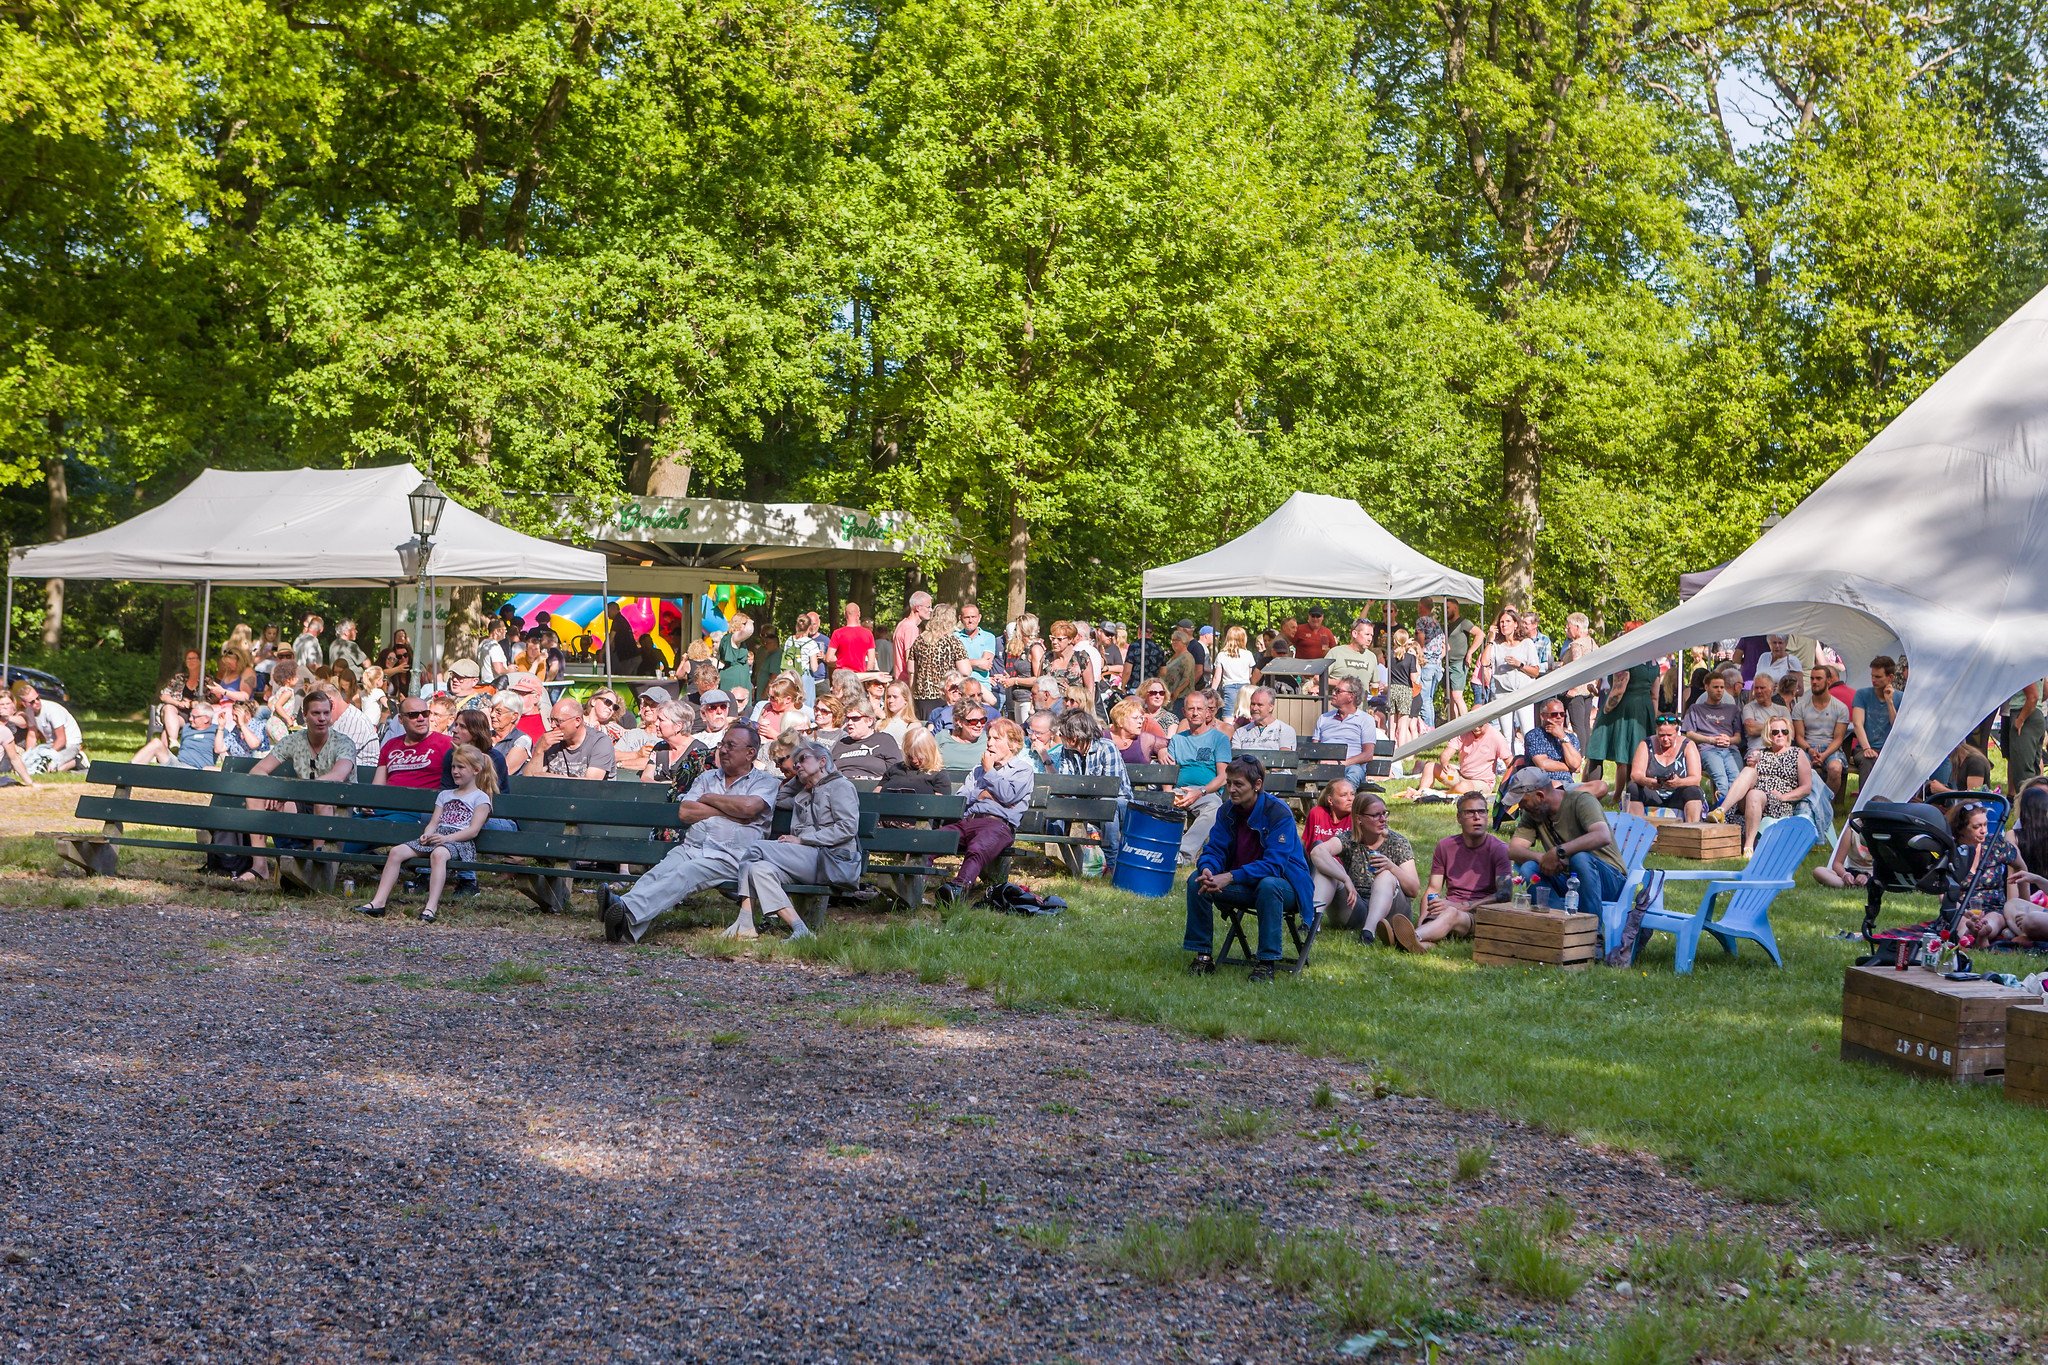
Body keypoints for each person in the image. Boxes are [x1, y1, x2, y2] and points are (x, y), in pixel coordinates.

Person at [598, 721, 781, 942]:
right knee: (659, 873)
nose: (722, 750)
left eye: (730, 746)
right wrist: (729, 812)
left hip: (731, 856)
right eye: (722, 744)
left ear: (750, 753)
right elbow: (686, 812)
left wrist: (710, 800)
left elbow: (749, 807)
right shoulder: (707, 777)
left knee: (685, 874)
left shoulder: (765, 782)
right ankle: (625, 928)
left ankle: (622, 906)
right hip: (693, 847)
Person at [1183, 755, 1315, 982]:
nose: (1231, 789)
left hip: (1286, 885)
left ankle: (1266, 963)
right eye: (1229, 783)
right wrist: (1208, 869)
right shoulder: (1226, 811)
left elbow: (1275, 865)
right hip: (1245, 883)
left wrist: (1231, 876)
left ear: (1257, 785)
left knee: (1269, 884)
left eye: (1238, 784)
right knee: (1197, 879)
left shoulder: (1278, 812)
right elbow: (1215, 850)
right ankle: (1203, 956)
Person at [725, 741, 862, 940]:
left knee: (756, 848)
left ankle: (745, 920)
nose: (797, 765)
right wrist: (800, 778)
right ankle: (800, 930)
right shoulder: (804, 793)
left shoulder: (840, 786)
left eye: (803, 759)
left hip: (832, 859)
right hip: (808, 861)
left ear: (822, 761)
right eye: (795, 762)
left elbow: (847, 828)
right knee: (758, 870)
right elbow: (779, 798)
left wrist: (803, 840)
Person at [353, 744, 495, 924]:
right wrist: (427, 834)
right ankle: (378, 902)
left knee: (439, 854)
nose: (455, 771)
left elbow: (473, 830)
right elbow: (434, 823)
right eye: (453, 767)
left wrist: (446, 839)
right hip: (438, 836)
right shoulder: (445, 795)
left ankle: (431, 906)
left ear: (476, 770)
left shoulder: (480, 797)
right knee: (396, 852)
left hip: (460, 841)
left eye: (461, 767)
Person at [246, 691, 358, 881]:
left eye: (326, 713)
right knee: (255, 793)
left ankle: (318, 861)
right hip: (303, 801)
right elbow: (257, 771)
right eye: (315, 713)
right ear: (305, 716)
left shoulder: (344, 742)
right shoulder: (294, 740)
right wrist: (274, 790)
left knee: (321, 796)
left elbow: (337, 777)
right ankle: (260, 867)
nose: (322, 718)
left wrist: (289, 792)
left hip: (337, 806)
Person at [936, 717, 1035, 902]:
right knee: (932, 841)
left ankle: (957, 889)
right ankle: (914, 884)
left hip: (997, 825)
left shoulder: (1022, 770)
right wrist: (981, 794)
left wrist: (990, 771)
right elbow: (959, 800)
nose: (989, 743)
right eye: (989, 738)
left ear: (1012, 744)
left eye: (996, 739)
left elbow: (1008, 796)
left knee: (978, 847)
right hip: (969, 820)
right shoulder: (977, 770)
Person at [1402, 791, 1515, 952]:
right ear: (1459, 818)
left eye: (1482, 811)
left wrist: (1462, 906)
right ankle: (1414, 943)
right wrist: (1423, 917)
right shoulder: (1445, 846)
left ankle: (1411, 936)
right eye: (1470, 812)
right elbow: (1433, 889)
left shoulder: (1499, 849)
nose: (1477, 817)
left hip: (1478, 914)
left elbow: (1504, 895)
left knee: (1451, 913)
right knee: (1440, 921)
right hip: (1445, 910)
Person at [1505, 769, 1626, 906]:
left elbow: (1602, 835)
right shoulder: (1532, 813)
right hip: (1570, 880)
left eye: (1522, 801)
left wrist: (1558, 852)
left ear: (1540, 796)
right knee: (1528, 868)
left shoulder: (1582, 800)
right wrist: (1541, 858)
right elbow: (1513, 850)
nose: (1521, 807)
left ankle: (1591, 926)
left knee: (1580, 858)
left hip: (1609, 881)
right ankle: (1557, 921)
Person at [1310, 791, 1417, 938]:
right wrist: (1344, 878)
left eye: (1385, 813)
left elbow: (1413, 890)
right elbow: (1317, 852)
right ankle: (1313, 922)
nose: (1383, 819)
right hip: (1356, 907)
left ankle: (1368, 932)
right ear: (1359, 819)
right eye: (1376, 815)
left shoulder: (1398, 842)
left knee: (1385, 875)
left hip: (1391, 913)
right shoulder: (1349, 839)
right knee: (1326, 867)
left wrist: (1391, 867)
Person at [1708, 716, 1814, 855]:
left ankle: (1748, 846)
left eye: (1784, 731)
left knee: (1754, 794)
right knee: (1748, 771)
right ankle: (1721, 810)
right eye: (1775, 732)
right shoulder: (1760, 753)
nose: (1780, 734)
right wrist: (1753, 764)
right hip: (1750, 801)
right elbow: (1747, 780)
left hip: (1777, 801)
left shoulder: (1797, 753)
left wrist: (1784, 796)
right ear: (1768, 734)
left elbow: (1806, 787)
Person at [1050, 708, 1130, 876]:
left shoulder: (1106, 748)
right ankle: (1061, 857)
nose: (1060, 736)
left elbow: (1111, 789)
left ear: (1076, 736)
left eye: (1064, 733)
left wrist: (1077, 794)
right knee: (1056, 807)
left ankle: (1112, 863)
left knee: (1108, 807)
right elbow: (1065, 783)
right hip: (1085, 803)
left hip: (1118, 802)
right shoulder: (1068, 751)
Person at [1168, 690, 1232, 863]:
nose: (1195, 713)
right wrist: (1168, 795)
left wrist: (1200, 792)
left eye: (1199, 709)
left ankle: (1182, 854)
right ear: (1184, 712)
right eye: (1191, 709)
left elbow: (1223, 777)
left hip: (1206, 793)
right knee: (1157, 807)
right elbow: (1168, 773)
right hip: (1178, 791)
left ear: (1207, 712)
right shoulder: (1177, 740)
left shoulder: (1219, 739)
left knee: (1214, 808)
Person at [1404, 718, 1511, 801]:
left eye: (1480, 725)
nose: (1476, 728)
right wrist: (1445, 762)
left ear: (1487, 722)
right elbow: (1446, 754)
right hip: (1460, 776)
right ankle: (1421, 792)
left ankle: (1436, 794)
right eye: (1474, 725)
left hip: (1482, 782)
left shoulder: (1496, 737)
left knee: (1462, 787)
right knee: (1430, 766)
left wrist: (1507, 785)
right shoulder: (1464, 732)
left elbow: (1510, 762)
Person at [1625, 715, 1706, 821]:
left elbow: (1696, 778)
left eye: (1669, 735)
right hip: (1653, 793)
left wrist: (1679, 782)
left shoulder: (1688, 745)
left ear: (1677, 733)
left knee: (1693, 791)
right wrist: (1648, 781)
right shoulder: (1645, 744)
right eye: (1661, 735)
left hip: (1677, 794)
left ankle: (1692, 828)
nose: (1665, 739)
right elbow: (1635, 774)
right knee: (1633, 788)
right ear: (1656, 732)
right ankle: (1636, 827)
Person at [1682, 671, 1744, 805]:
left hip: (1730, 749)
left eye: (1722, 687)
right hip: (1708, 749)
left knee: (1737, 780)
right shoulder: (1696, 709)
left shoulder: (1732, 709)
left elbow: (1738, 737)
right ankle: (1722, 815)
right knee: (1722, 782)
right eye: (1715, 687)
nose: (1719, 691)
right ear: (1706, 687)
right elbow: (1689, 733)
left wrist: (1729, 740)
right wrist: (1711, 740)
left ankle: (1729, 815)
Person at [1792, 665, 1852, 800]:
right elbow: (1799, 736)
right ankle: (1805, 803)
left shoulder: (1840, 708)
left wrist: (1824, 755)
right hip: (1807, 746)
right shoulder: (1800, 706)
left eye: (1819, 678)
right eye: (1812, 678)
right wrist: (1809, 750)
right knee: (1801, 767)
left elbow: (1838, 739)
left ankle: (1824, 803)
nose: (1814, 682)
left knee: (1835, 768)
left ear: (1829, 681)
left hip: (1831, 748)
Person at [1484, 609, 1541, 742]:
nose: (1504, 625)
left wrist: (1519, 665)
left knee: (1528, 732)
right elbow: (1485, 662)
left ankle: (1530, 761)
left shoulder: (1527, 643)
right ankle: (1510, 762)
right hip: (1502, 694)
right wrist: (1490, 639)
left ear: (1516, 624)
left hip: (1523, 692)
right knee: (1507, 735)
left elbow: (1536, 671)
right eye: (1501, 622)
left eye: (1508, 621)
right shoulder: (1496, 645)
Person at [1311, 677, 1377, 787]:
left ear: (1351, 696)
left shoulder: (1365, 719)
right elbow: (1314, 749)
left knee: (1354, 773)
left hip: (1351, 766)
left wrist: (1341, 763)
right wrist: (1321, 761)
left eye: (1338, 691)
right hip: (1324, 767)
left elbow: (1368, 754)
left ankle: (1344, 801)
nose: (1333, 693)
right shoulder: (1324, 718)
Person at [527, 697, 616, 779]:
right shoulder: (548, 741)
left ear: (577, 721)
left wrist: (549, 777)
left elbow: (591, 785)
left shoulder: (600, 743)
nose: (552, 725)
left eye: (558, 721)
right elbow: (528, 781)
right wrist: (539, 751)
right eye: (551, 720)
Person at [1850, 655, 1901, 788]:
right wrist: (1867, 748)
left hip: (1890, 750)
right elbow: (1857, 723)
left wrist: (1890, 702)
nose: (1873, 680)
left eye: (1878, 677)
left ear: (1890, 678)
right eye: (1872, 676)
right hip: (1864, 748)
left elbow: (1897, 727)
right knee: (1868, 760)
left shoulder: (1901, 697)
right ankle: (1864, 804)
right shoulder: (1862, 694)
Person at [13, 682, 83, 774]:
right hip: (51, 745)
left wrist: (47, 755)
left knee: (49, 768)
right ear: (24, 704)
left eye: (37, 698)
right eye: (32, 702)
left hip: (70, 744)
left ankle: (77, 760)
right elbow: (32, 735)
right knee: (31, 764)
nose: (37, 702)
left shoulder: (52, 710)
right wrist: (28, 755)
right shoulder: (29, 711)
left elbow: (62, 739)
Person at [1558, 614, 1598, 746]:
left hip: (1577, 691)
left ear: (1577, 627)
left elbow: (1577, 666)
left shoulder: (1576, 644)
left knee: (1577, 725)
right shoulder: (1592, 643)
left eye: (1568, 626)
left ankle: (1579, 757)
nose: (1566, 629)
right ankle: (1587, 757)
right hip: (1589, 689)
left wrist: (1573, 688)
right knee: (1585, 724)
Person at [1321, 618, 1378, 697]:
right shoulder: (1336, 653)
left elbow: (1375, 684)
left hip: (1362, 707)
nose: (1370, 639)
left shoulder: (1372, 657)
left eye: (1371, 635)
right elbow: (1318, 678)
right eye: (1367, 634)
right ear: (1354, 634)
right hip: (1337, 706)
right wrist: (1342, 683)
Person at [1384, 627, 1421, 748]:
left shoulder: (1389, 656)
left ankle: (1390, 749)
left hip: (1392, 689)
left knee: (1392, 723)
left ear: (1394, 641)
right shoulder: (1411, 658)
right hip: (1405, 690)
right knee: (1403, 725)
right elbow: (1414, 678)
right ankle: (1402, 751)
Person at [1740, 673, 1790, 758]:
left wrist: (1761, 726)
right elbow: (1751, 729)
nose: (1759, 691)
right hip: (1757, 751)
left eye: (1762, 688)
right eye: (1756, 688)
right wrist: (1779, 728)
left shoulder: (1782, 710)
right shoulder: (1749, 708)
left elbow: (1790, 732)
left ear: (1772, 690)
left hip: (1781, 751)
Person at [1231, 688, 1297, 752]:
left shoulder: (1285, 730)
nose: (1254, 708)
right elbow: (1236, 759)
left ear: (1271, 707)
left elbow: (1285, 759)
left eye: (1260, 705)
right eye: (1253, 704)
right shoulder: (1240, 733)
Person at [1444, 600, 1479, 720]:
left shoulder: (1464, 622)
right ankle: (1454, 729)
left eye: (1447, 607)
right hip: (1447, 664)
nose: (1445, 610)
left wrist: (1470, 652)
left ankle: (1466, 725)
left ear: (1455, 608)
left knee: (1457, 695)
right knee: (1449, 697)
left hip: (1459, 663)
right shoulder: (1448, 625)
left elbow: (1480, 634)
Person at [1108, 699, 1166, 766]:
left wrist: (1162, 749)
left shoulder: (1145, 739)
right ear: (1120, 721)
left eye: (1141, 718)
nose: (1140, 722)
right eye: (1135, 718)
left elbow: (1173, 744)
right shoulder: (1104, 738)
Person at [827, 601, 877, 675]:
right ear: (859, 614)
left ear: (845, 614)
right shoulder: (868, 634)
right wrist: (867, 676)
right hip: (860, 676)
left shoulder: (837, 633)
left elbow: (829, 658)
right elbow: (871, 660)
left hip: (842, 675)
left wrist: (840, 660)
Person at [935, 704, 989, 769]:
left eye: (983, 720)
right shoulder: (942, 737)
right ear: (959, 722)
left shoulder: (988, 739)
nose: (979, 725)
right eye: (973, 721)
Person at [1306, 779, 1354, 848]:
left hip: (1341, 858)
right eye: (1344, 795)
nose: (1350, 798)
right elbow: (1305, 843)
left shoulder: (1356, 819)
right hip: (1315, 856)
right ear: (1330, 800)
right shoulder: (1317, 813)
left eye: (1352, 794)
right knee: (1318, 844)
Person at [879, 680, 917, 745]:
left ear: (906, 700)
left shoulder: (913, 725)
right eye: (888, 697)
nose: (890, 700)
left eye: (895, 697)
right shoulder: (879, 724)